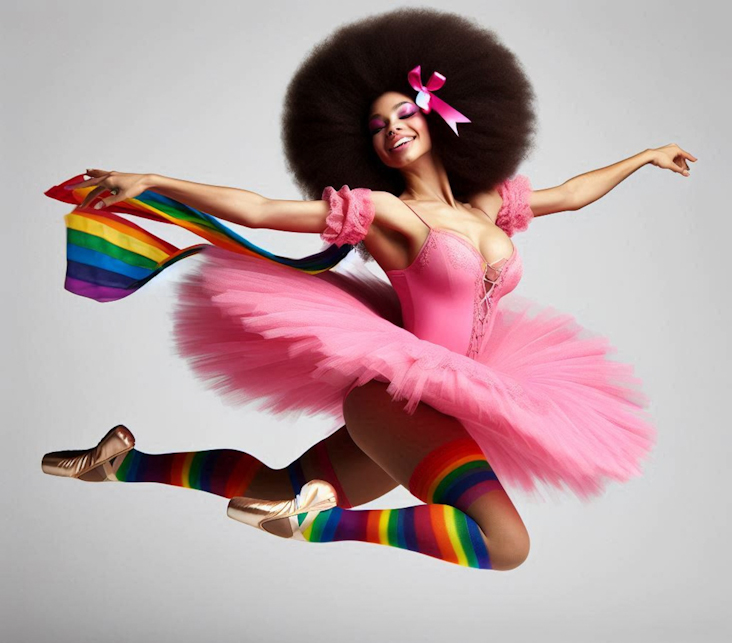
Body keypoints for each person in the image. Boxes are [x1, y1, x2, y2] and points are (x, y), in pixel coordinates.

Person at [40, 9, 695, 571]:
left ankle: (120, 462)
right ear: (372, 151)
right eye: (377, 128)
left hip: (452, 395)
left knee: (277, 484)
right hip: (399, 399)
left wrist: (643, 156)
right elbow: (262, 211)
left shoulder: (490, 205)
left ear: (435, 116)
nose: (391, 129)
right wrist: (156, 183)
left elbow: (573, 195)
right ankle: (319, 523)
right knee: (504, 542)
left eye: (401, 113)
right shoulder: (389, 215)